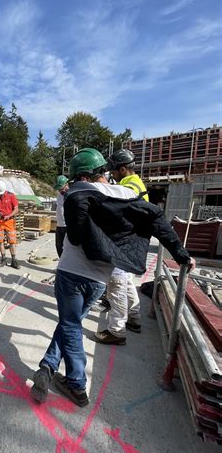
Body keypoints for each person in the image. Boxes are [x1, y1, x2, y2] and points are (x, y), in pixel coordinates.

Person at [31, 148, 195, 407]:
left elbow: (74, 233)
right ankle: (48, 366)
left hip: (71, 274)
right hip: (99, 280)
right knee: (70, 324)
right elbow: (157, 219)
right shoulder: (127, 194)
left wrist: (84, 228)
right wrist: (181, 253)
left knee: (70, 325)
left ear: (83, 175)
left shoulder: (80, 192)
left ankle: (76, 384)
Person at [95, 149, 150, 345]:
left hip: (124, 244)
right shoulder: (134, 183)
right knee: (126, 283)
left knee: (116, 286)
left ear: (124, 168)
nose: (112, 175)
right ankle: (134, 319)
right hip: (133, 243)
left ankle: (116, 331)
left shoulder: (130, 188)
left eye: (114, 171)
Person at [0, 180, 21, 269]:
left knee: (12, 241)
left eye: (1, 194)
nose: (0, 195)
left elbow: (16, 209)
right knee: (0, 241)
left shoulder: (11, 196)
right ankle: (3, 259)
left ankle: (14, 260)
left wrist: (9, 215)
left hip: (9, 221)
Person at [54, 175, 69, 258]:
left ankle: (69, 266)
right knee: (58, 246)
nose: (59, 189)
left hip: (67, 225)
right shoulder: (60, 194)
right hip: (59, 225)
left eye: (60, 187)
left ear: (66, 184)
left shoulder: (70, 194)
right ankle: (61, 264)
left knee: (67, 248)